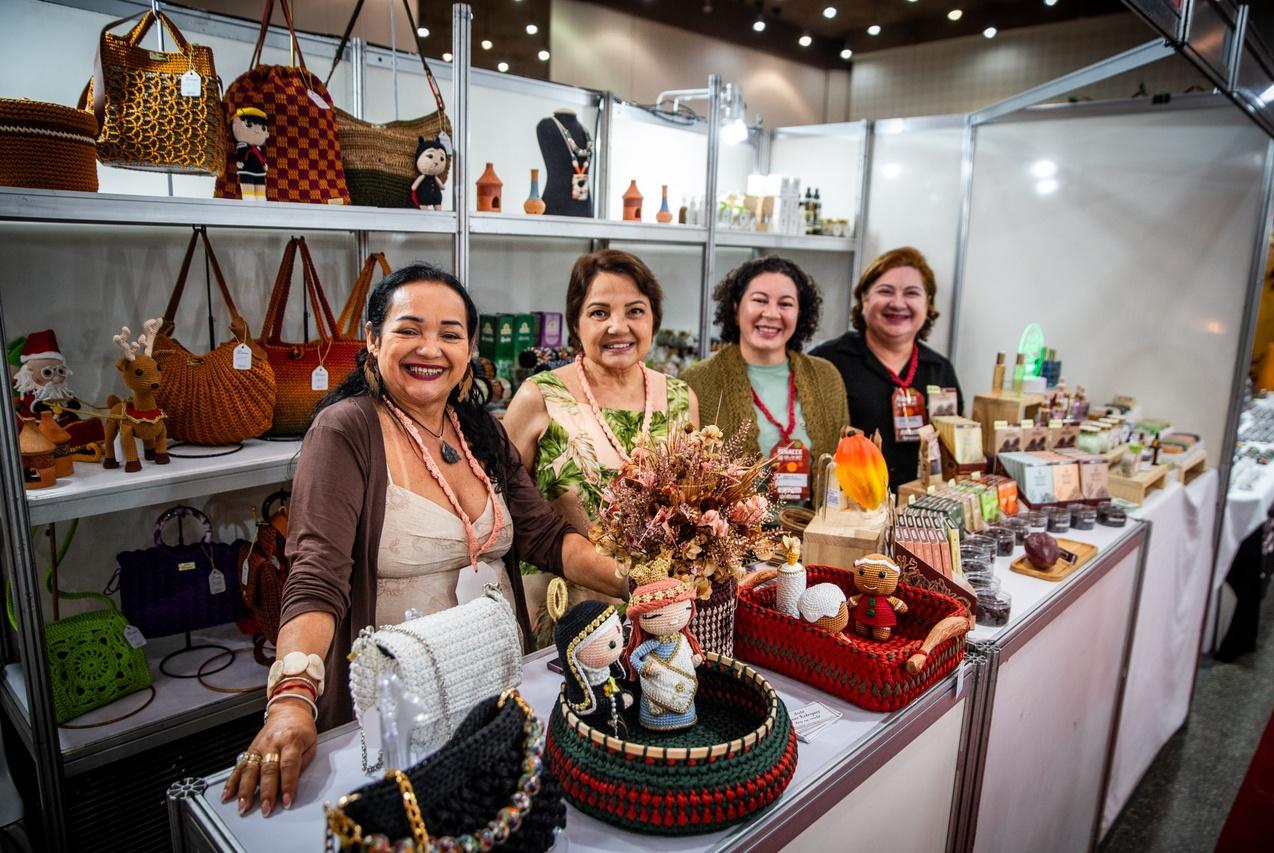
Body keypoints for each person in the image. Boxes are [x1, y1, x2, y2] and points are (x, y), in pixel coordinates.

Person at [223, 263, 623, 817]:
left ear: (468, 352)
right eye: (409, 329)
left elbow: (548, 538)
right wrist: (292, 699)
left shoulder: (479, 430)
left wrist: (641, 580)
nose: (429, 348)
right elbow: (317, 575)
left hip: (495, 687)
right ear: (372, 339)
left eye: (450, 334)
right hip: (398, 705)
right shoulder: (345, 431)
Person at [505, 249, 698, 642]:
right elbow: (501, 507)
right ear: (576, 323)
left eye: (634, 311)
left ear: (654, 319)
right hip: (560, 612)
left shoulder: (680, 398)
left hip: (661, 615)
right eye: (599, 313)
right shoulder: (539, 397)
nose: (618, 327)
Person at [681, 256, 848, 502]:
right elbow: (687, 478)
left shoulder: (826, 378)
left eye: (786, 304)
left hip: (817, 535)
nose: (771, 313)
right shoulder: (699, 381)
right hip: (732, 539)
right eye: (759, 300)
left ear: (800, 313)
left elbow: (842, 471)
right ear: (736, 308)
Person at [811, 246, 963, 492]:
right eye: (885, 291)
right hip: (846, 513)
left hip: (920, 511)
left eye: (912, 293)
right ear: (864, 299)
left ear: (928, 304)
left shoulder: (940, 369)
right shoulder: (827, 362)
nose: (898, 303)